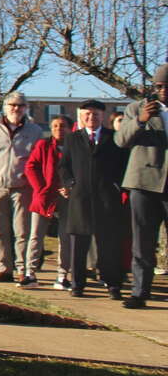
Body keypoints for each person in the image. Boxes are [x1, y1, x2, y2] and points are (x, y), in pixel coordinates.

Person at [59, 100, 129, 299]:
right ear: (81, 116)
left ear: (103, 117)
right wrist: (70, 184)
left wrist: (117, 186)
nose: (91, 118)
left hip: (106, 199)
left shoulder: (113, 137)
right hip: (80, 199)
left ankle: (113, 284)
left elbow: (123, 165)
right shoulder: (72, 139)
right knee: (79, 246)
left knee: (108, 245)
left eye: (96, 114)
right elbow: (64, 166)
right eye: (87, 114)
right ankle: (78, 285)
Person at [115, 62, 168, 309]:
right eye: (158, 86)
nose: (163, 90)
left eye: (166, 85)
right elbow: (121, 140)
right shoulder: (137, 108)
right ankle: (139, 293)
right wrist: (141, 119)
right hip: (143, 184)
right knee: (142, 241)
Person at [0, 91, 41, 285]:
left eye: (20, 105)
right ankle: (4, 268)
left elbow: (37, 159)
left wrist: (29, 180)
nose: (16, 108)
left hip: (22, 187)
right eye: (12, 105)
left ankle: (23, 270)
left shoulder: (34, 131)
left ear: (26, 109)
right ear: (5, 107)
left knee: (22, 231)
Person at [26, 115, 73, 290]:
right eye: (54, 126)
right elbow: (31, 166)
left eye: (62, 126)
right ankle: (30, 273)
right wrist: (40, 187)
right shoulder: (43, 145)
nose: (58, 129)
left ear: (70, 128)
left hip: (67, 197)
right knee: (36, 235)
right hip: (44, 196)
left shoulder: (75, 147)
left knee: (65, 237)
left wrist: (70, 187)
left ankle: (62, 275)